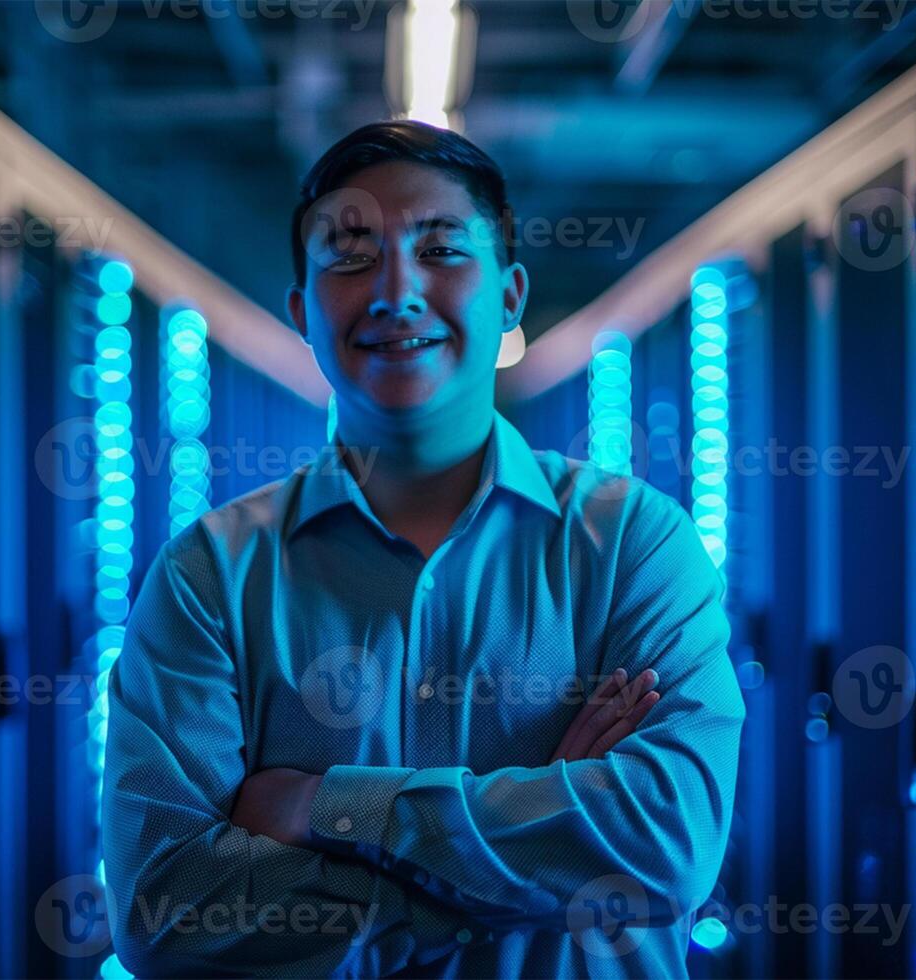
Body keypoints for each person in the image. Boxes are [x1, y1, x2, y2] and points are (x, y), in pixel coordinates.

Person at [102, 120, 744, 978]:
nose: (397, 291)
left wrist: (320, 806)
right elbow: (165, 909)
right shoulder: (207, 578)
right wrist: (523, 871)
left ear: (511, 298)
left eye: (441, 251)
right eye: (351, 255)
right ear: (301, 310)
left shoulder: (634, 543)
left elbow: (668, 843)